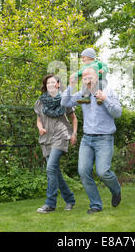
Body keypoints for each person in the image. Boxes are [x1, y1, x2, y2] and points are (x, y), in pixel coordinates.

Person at [61, 67, 122, 214]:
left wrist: (105, 99)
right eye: (85, 78)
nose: (87, 80)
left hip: (105, 138)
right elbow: (65, 103)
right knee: (83, 171)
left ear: (97, 78)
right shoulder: (82, 94)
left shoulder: (108, 92)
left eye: (90, 77)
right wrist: (70, 85)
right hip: (87, 139)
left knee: (103, 172)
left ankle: (116, 190)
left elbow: (118, 113)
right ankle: (96, 204)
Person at [34, 74, 78, 213]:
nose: (50, 85)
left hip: (61, 135)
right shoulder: (40, 101)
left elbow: (74, 118)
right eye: (48, 83)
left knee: (51, 168)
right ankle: (70, 199)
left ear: (58, 84)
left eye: (53, 83)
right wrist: (40, 128)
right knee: (55, 172)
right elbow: (39, 119)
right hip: (46, 138)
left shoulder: (65, 100)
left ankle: (50, 204)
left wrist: (74, 133)